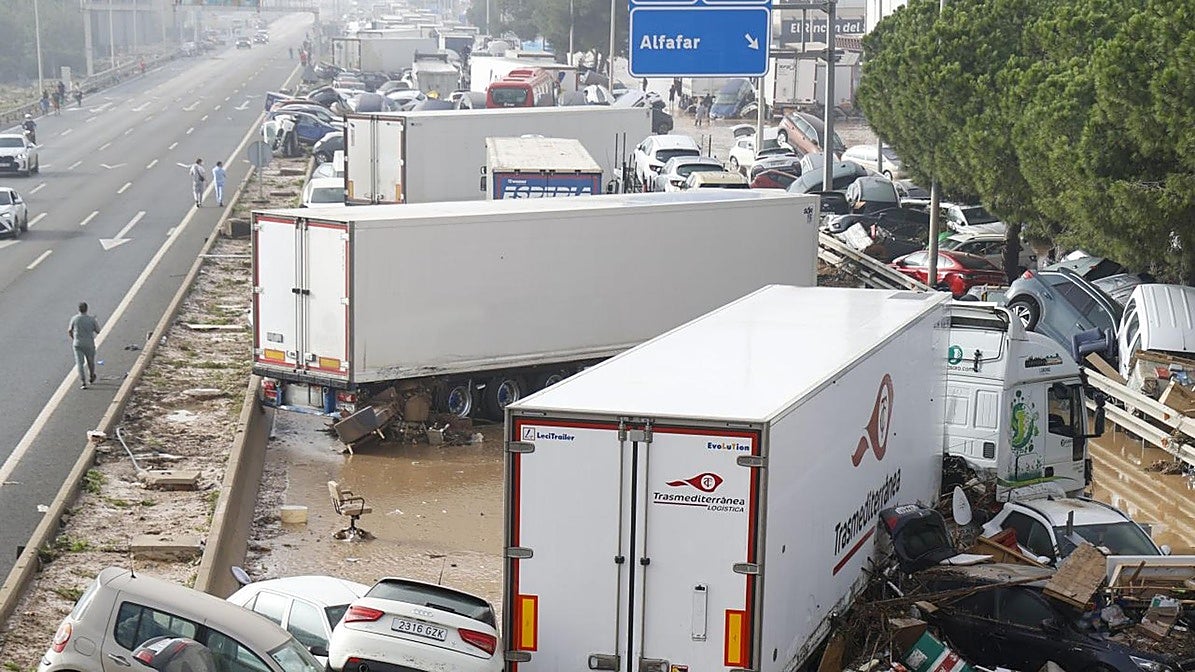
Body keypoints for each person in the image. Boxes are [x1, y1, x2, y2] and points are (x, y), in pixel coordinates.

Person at [68, 302, 101, 390]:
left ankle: (83, 382)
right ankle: (91, 376)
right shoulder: (91, 319)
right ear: (87, 309)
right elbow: (98, 330)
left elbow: (70, 330)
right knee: (90, 361)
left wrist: (74, 338)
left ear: (79, 309)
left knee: (80, 363)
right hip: (89, 343)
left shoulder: (74, 319)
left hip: (77, 343)